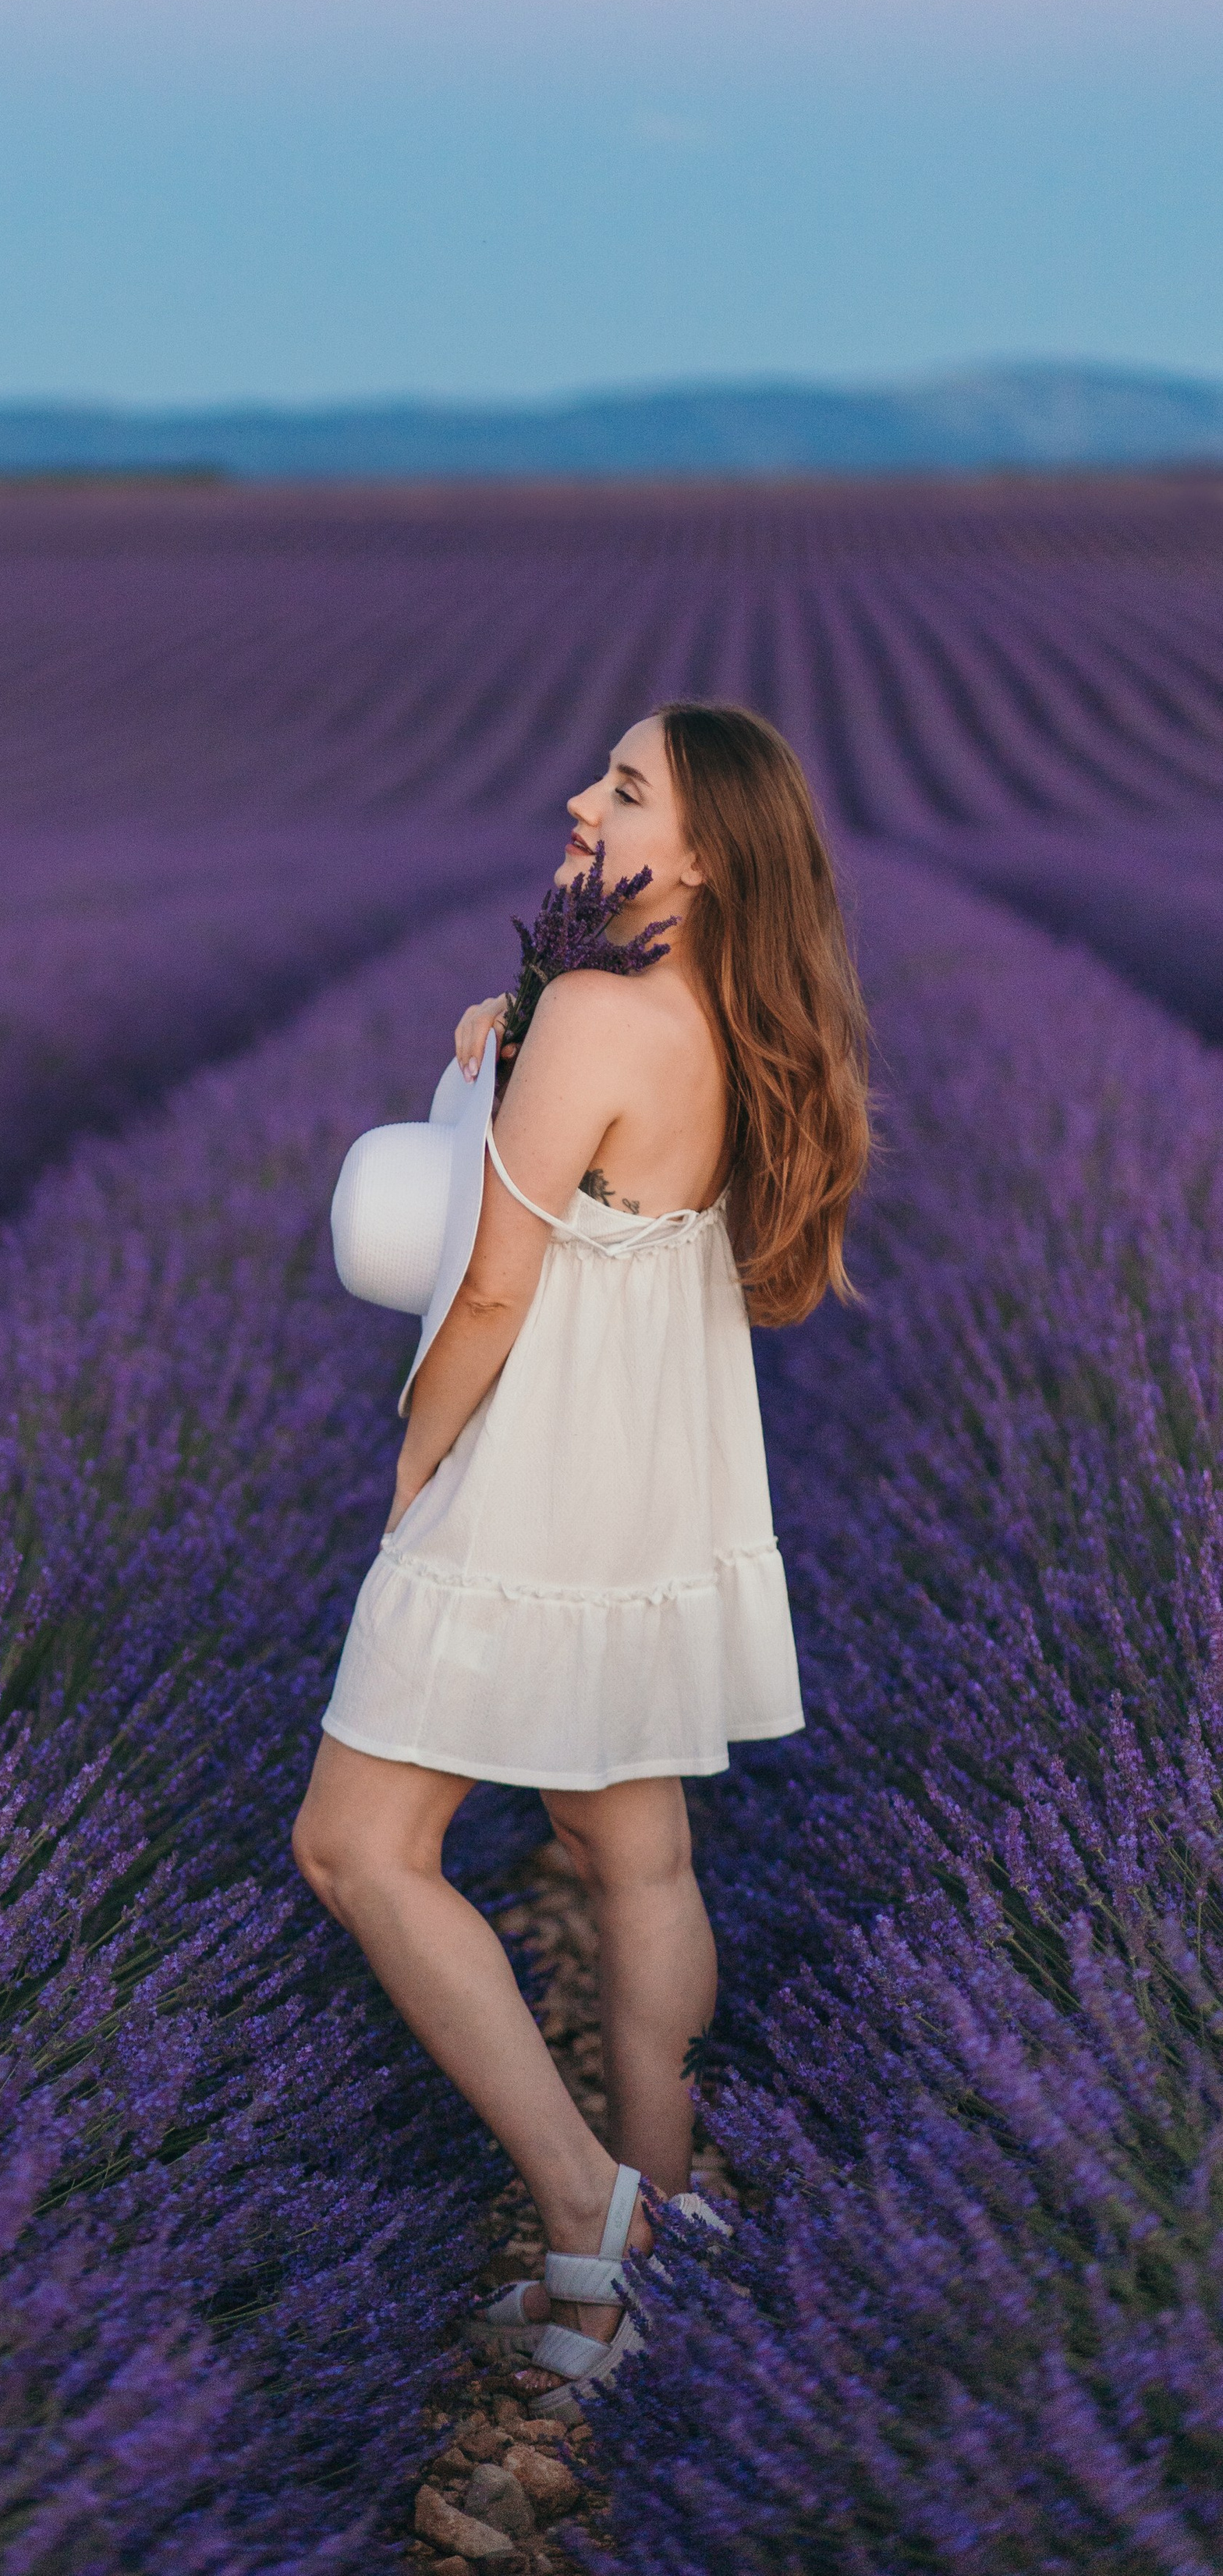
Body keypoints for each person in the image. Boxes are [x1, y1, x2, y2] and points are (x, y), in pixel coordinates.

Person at [292, 701, 870, 2400]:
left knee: (355, 1849)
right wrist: (520, 1024)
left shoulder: (605, 1019)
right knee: (637, 1855)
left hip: (532, 1476)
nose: (577, 798)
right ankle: (666, 2227)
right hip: (652, 1487)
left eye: (622, 790)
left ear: (698, 855)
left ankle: (584, 2220)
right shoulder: (714, 1018)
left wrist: (416, 1464)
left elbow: (488, 1284)